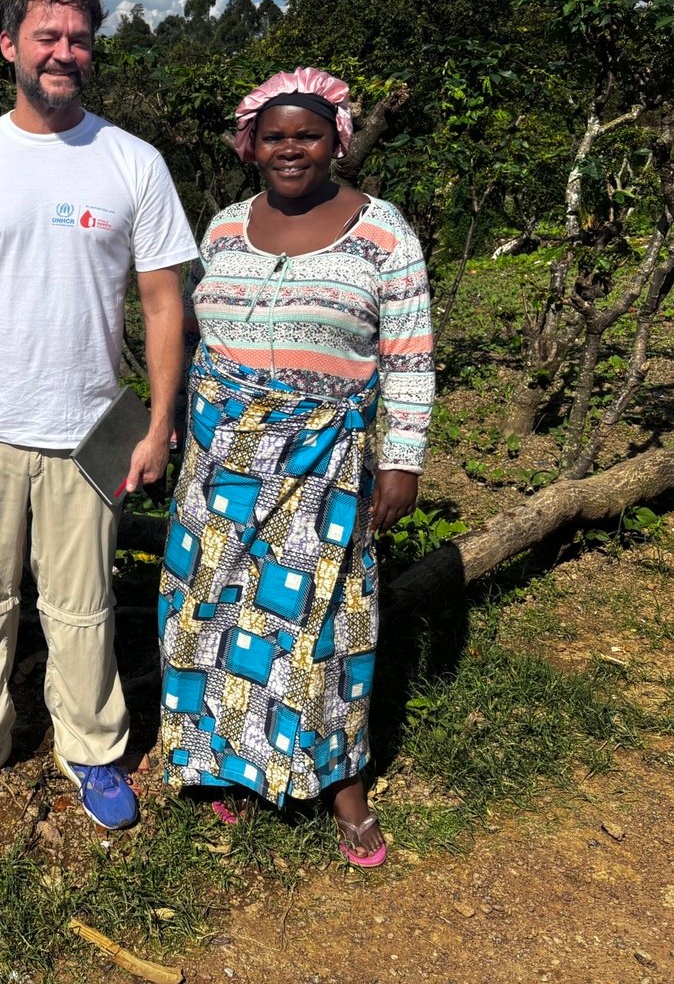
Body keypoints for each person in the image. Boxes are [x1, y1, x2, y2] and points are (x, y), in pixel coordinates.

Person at [0, 0, 197, 831]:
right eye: (47, 36)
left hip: (93, 425)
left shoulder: (132, 161)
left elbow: (164, 303)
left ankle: (93, 749)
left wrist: (160, 420)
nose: (63, 53)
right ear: (10, 45)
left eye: (78, 38)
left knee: (84, 607)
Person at [157, 67, 434, 867]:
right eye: (273, 136)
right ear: (251, 145)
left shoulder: (383, 234)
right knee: (209, 608)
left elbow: (409, 354)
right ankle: (218, 760)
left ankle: (340, 785)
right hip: (220, 458)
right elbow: (194, 332)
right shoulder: (223, 229)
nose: (290, 149)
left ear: (335, 140)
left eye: (306, 134)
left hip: (325, 460)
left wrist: (402, 460)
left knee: (325, 625)